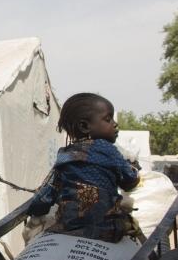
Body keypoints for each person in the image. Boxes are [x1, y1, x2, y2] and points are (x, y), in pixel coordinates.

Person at [28, 93, 140, 243]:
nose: (114, 124)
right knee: (134, 229)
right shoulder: (108, 149)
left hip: (68, 229)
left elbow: (44, 196)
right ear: (85, 126)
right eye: (108, 119)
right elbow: (130, 180)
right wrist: (133, 169)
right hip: (107, 230)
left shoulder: (65, 156)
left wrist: (36, 211)